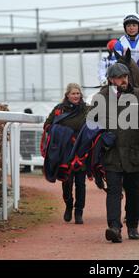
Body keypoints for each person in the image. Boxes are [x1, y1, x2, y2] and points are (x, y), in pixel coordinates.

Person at [94, 63, 139, 243]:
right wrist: (102, 135)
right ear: (111, 80)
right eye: (120, 77)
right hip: (112, 153)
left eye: (125, 76)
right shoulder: (101, 97)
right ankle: (114, 227)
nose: (124, 80)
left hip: (135, 152)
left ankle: (132, 226)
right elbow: (91, 123)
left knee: (134, 192)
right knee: (114, 192)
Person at [44, 83, 89, 224]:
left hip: (81, 150)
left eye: (78, 93)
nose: (76, 96)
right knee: (67, 182)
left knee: (81, 183)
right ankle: (69, 205)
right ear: (67, 95)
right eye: (73, 93)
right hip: (65, 151)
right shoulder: (59, 110)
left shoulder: (87, 110)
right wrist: (62, 132)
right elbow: (47, 125)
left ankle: (79, 211)